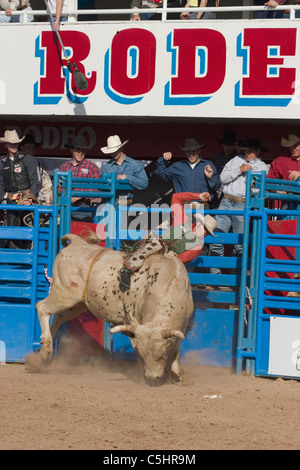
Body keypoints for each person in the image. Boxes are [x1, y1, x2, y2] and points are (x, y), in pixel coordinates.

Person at [209, 138, 269, 275]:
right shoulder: (236, 160)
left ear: (258, 152)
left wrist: (249, 174)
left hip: (243, 204)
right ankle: (215, 277)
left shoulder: (261, 166)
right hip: (226, 201)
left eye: (251, 151)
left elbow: (258, 189)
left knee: (240, 245)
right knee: (216, 239)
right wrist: (239, 170)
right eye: (246, 151)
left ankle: (237, 280)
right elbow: (222, 178)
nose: (248, 153)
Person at [0, 129, 42, 248]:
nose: (13, 146)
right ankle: (15, 263)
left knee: (29, 234)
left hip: (27, 201)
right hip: (11, 202)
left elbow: (37, 181)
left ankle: (27, 262)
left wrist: (30, 197)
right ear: (6, 145)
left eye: (15, 143)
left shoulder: (28, 159)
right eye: (11, 143)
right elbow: (1, 185)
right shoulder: (3, 162)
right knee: (12, 234)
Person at [156, 137, 220, 206]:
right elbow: (162, 174)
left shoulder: (208, 165)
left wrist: (210, 178)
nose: (191, 154)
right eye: (188, 151)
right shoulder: (178, 166)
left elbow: (216, 186)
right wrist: (163, 160)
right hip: (184, 205)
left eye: (193, 151)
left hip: (203, 205)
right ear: (185, 152)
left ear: (199, 151)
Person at [162, 191, 216, 264]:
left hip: (166, 263)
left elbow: (180, 260)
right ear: (199, 223)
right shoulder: (182, 220)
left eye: (207, 233)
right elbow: (176, 197)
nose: (204, 232)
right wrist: (198, 196)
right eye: (205, 228)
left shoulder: (198, 247)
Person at [59, 135, 101, 222]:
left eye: (83, 150)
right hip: (66, 205)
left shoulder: (91, 166)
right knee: (65, 233)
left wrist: (81, 195)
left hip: (83, 205)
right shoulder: (64, 166)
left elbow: (98, 187)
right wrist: (57, 195)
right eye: (78, 150)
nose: (80, 153)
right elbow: (59, 186)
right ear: (71, 150)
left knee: (82, 232)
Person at [101, 135, 148, 203]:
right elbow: (102, 188)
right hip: (110, 202)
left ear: (121, 148)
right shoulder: (106, 168)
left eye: (115, 150)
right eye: (111, 151)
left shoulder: (134, 164)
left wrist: (127, 177)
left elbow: (144, 184)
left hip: (127, 203)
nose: (113, 153)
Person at [267, 129, 300, 211]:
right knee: (286, 221)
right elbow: (268, 180)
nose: (292, 148)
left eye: (295, 145)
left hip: (290, 202)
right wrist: (277, 188)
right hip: (288, 201)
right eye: (290, 146)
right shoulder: (280, 161)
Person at [20, 134, 53, 205]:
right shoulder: (14, 163)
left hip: (34, 201)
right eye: (29, 147)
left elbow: (46, 186)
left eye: (33, 147)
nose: (31, 150)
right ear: (22, 148)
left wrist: (48, 201)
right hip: (16, 201)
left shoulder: (40, 166)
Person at [210, 131, 238, 209]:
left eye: (230, 145)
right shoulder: (215, 158)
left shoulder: (238, 159)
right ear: (222, 145)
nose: (227, 148)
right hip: (215, 189)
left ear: (234, 146)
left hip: (229, 191)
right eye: (226, 145)